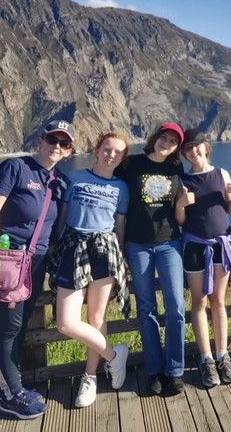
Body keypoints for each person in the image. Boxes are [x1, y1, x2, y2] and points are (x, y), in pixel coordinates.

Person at [0, 120, 73, 419]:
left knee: (18, 326)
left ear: (69, 151)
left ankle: (8, 386)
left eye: (64, 143)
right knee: (9, 328)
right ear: (40, 140)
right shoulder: (15, 168)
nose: (56, 146)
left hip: (35, 263)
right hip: (5, 258)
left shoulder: (59, 182)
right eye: (52, 139)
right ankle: (13, 395)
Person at [48, 132, 130, 407]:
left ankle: (90, 376)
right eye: (107, 149)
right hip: (73, 246)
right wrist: (53, 247)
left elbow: (119, 227)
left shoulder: (122, 188)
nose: (111, 155)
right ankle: (114, 357)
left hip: (105, 250)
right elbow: (60, 217)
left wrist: (120, 257)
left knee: (97, 318)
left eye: (117, 152)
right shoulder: (75, 177)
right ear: (97, 150)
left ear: (122, 158)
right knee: (65, 323)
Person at [114, 122, 186, 397]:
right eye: (163, 137)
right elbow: (109, 178)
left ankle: (175, 371)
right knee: (146, 309)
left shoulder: (175, 168)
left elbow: (183, 200)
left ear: (177, 147)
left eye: (172, 141)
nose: (166, 143)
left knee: (176, 306)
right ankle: (154, 371)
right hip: (137, 245)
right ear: (155, 138)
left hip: (170, 243)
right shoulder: (130, 164)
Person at [175, 128, 231, 388]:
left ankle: (222, 356)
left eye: (197, 145)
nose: (193, 151)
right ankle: (206, 360)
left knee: (218, 301)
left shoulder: (221, 173)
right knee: (199, 302)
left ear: (205, 147)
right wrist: (181, 204)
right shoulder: (181, 180)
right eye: (187, 148)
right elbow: (180, 220)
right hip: (194, 246)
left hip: (220, 245)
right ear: (184, 153)